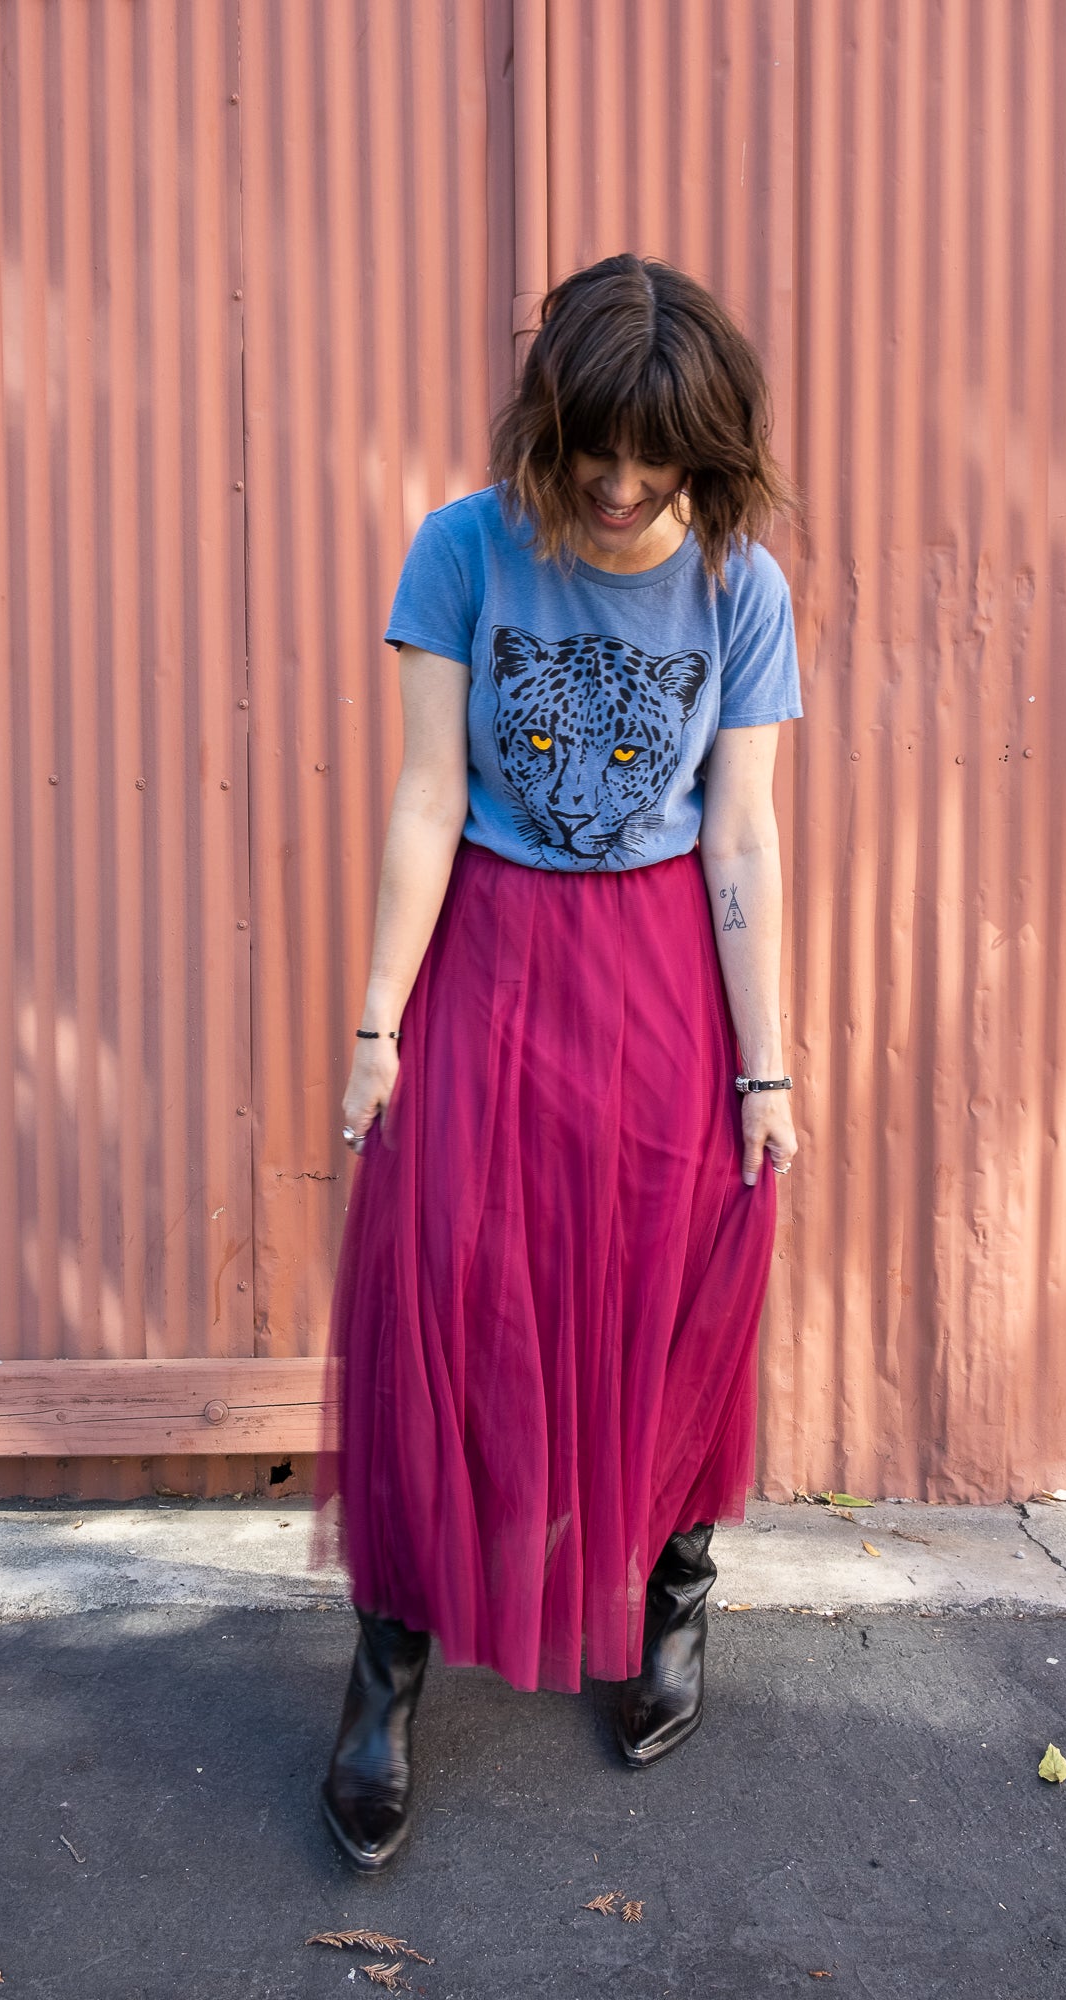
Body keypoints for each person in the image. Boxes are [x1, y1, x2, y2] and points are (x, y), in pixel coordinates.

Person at [315, 252, 802, 1872]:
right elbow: (422, 798)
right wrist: (378, 1018)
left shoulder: (740, 585)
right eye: (590, 445)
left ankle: (673, 1593)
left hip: (659, 968)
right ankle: (387, 1664)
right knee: (439, 1292)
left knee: (662, 1282)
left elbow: (737, 834)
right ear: (549, 424)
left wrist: (767, 1065)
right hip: (490, 963)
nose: (613, 483)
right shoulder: (463, 546)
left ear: (705, 453)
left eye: (651, 458)